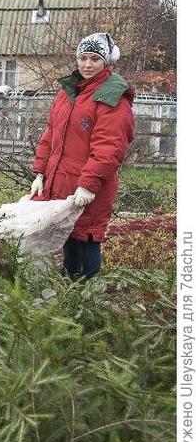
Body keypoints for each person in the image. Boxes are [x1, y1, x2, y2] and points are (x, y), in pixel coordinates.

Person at [29, 32, 135, 279]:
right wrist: (40, 173)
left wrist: (88, 185)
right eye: (83, 58)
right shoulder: (68, 92)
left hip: (89, 187)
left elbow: (109, 149)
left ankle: (90, 299)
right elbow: (50, 134)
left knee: (87, 238)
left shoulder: (112, 97)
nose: (87, 65)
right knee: (69, 237)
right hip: (60, 180)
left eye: (95, 59)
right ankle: (69, 290)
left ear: (106, 62)